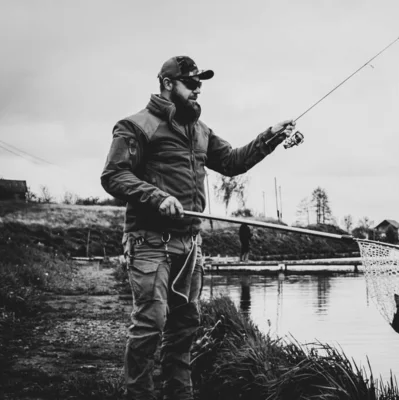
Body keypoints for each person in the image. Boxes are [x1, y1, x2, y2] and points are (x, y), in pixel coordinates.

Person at [100, 55, 295, 400]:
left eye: (199, 85)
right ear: (167, 84)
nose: (197, 90)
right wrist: (156, 195)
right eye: (190, 84)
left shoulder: (201, 131)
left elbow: (233, 162)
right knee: (151, 324)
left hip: (190, 246)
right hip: (148, 242)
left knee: (184, 328)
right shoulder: (135, 125)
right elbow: (114, 175)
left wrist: (270, 138)